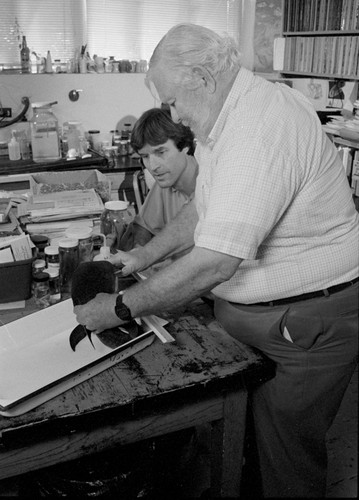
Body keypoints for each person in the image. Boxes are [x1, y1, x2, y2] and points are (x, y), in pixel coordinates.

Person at [75, 24, 359, 498]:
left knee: (288, 459)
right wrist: (143, 255)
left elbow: (214, 262)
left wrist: (119, 308)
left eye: (171, 101)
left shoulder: (259, 128)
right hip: (268, 319)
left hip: (307, 322)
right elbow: (206, 208)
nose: (172, 113)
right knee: (251, 443)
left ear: (204, 78)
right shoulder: (222, 119)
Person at [118, 107, 197, 260]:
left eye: (161, 152)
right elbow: (143, 227)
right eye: (145, 156)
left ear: (185, 147)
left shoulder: (212, 182)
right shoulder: (166, 181)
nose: (153, 166)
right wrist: (139, 252)